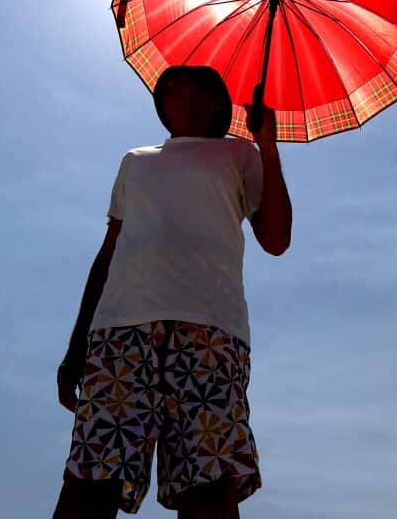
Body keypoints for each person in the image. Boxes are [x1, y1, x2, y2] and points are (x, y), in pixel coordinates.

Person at [52, 65, 292, 519]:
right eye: (174, 90)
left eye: (200, 90)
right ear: (161, 106)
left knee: (208, 484)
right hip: (120, 333)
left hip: (211, 332)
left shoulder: (240, 155)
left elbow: (276, 239)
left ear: (220, 105)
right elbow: (107, 257)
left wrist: (267, 143)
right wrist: (74, 350)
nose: (185, 97)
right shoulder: (135, 160)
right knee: (91, 481)